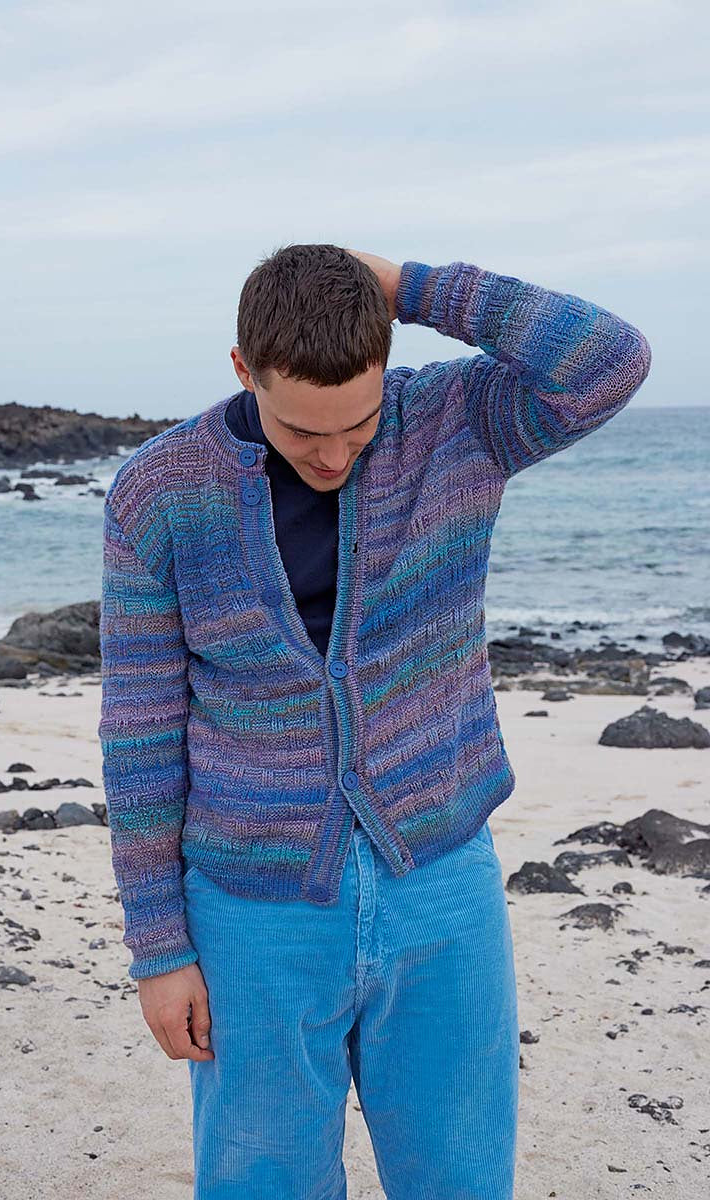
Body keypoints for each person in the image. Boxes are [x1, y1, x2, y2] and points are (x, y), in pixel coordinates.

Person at [98, 244, 651, 1198]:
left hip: (439, 880)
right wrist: (159, 946)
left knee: (460, 1182)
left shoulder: (454, 424)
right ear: (243, 369)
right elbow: (139, 733)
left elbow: (609, 360)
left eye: (357, 424)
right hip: (252, 910)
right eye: (301, 430)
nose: (331, 455)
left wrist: (407, 285)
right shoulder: (160, 493)